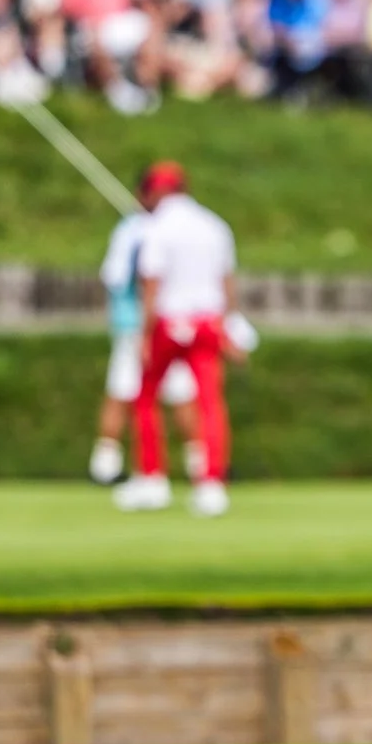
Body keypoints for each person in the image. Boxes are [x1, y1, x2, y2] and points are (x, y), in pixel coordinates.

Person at [117, 161, 252, 516]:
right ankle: (210, 484)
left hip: (167, 322)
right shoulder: (213, 225)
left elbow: (151, 285)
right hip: (207, 322)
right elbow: (226, 283)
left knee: (146, 397)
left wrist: (143, 335)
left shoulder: (154, 229)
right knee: (210, 402)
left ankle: (152, 480)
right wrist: (232, 327)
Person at [88, 169, 202, 488]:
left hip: (172, 325)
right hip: (138, 325)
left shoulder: (173, 230)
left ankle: (200, 466)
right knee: (126, 391)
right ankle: (106, 466)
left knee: (179, 394)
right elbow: (118, 278)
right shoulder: (133, 231)